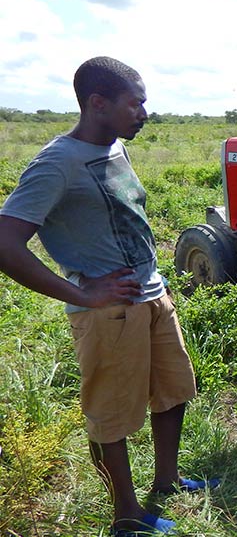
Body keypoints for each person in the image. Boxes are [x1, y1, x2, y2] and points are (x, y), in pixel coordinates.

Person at [0, 57, 217, 536]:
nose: (143, 112)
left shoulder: (115, 146)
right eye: (134, 103)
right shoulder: (57, 162)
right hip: (109, 313)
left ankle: (167, 480)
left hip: (152, 296)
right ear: (97, 104)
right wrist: (82, 291)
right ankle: (127, 515)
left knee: (173, 392)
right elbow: (5, 242)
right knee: (111, 416)